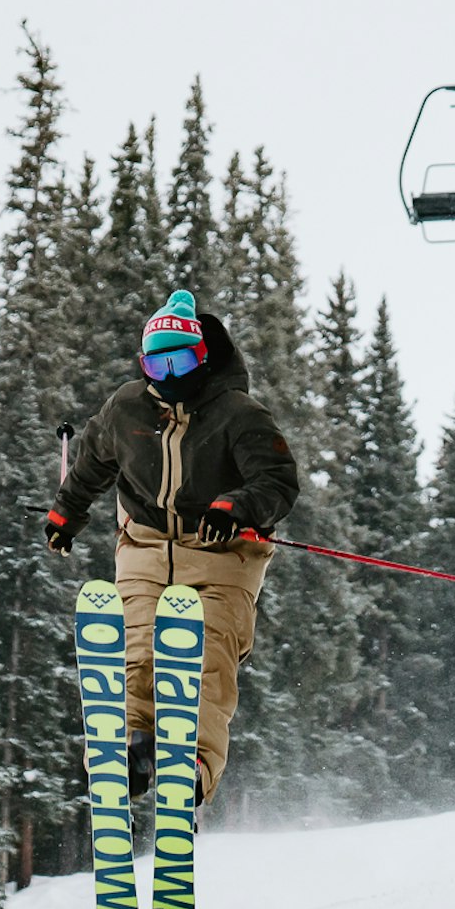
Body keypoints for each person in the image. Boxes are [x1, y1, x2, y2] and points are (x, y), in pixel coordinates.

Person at [44, 289, 299, 809]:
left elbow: (277, 481)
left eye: (178, 363)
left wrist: (236, 507)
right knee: (137, 649)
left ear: (201, 358)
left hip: (222, 552)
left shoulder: (238, 413)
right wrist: (66, 514)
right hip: (145, 542)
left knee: (207, 654)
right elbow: (91, 462)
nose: (167, 376)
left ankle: (192, 763)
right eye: (154, 365)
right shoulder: (127, 407)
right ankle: (129, 748)